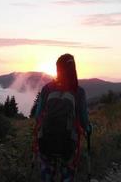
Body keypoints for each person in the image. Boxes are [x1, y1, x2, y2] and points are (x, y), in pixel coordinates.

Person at [33, 53, 91, 182]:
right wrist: (88, 128)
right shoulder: (79, 91)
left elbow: (38, 116)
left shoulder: (47, 89)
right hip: (69, 143)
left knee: (47, 173)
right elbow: (84, 121)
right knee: (67, 174)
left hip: (46, 140)